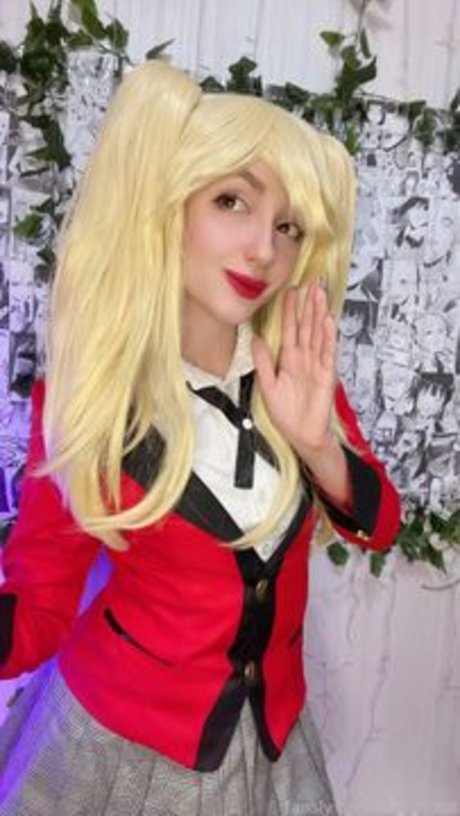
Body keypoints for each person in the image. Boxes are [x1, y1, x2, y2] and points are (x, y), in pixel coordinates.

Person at [0, 60, 400, 815]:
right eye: (231, 201)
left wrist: (319, 448)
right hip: (120, 751)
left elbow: (380, 526)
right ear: (169, 205)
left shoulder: (296, 372)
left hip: (272, 746)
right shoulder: (94, 396)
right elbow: (40, 606)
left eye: (287, 227)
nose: (263, 251)